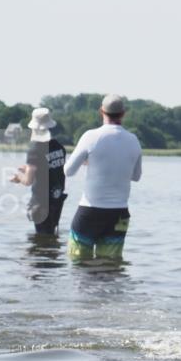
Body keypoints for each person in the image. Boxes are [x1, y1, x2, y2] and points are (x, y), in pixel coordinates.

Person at [63, 94, 142, 261]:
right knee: (111, 267)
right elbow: (136, 176)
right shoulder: (133, 140)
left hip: (90, 212)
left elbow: (68, 171)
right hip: (119, 214)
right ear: (123, 113)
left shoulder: (91, 136)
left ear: (101, 111)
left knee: (79, 265)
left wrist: (88, 162)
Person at [10, 107, 67, 235]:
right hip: (56, 199)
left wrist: (18, 178)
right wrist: (28, 169)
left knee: (42, 239)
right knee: (51, 236)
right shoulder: (58, 146)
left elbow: (28, 181)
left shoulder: (34, 149)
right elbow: (53, 168)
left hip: (41, 202)